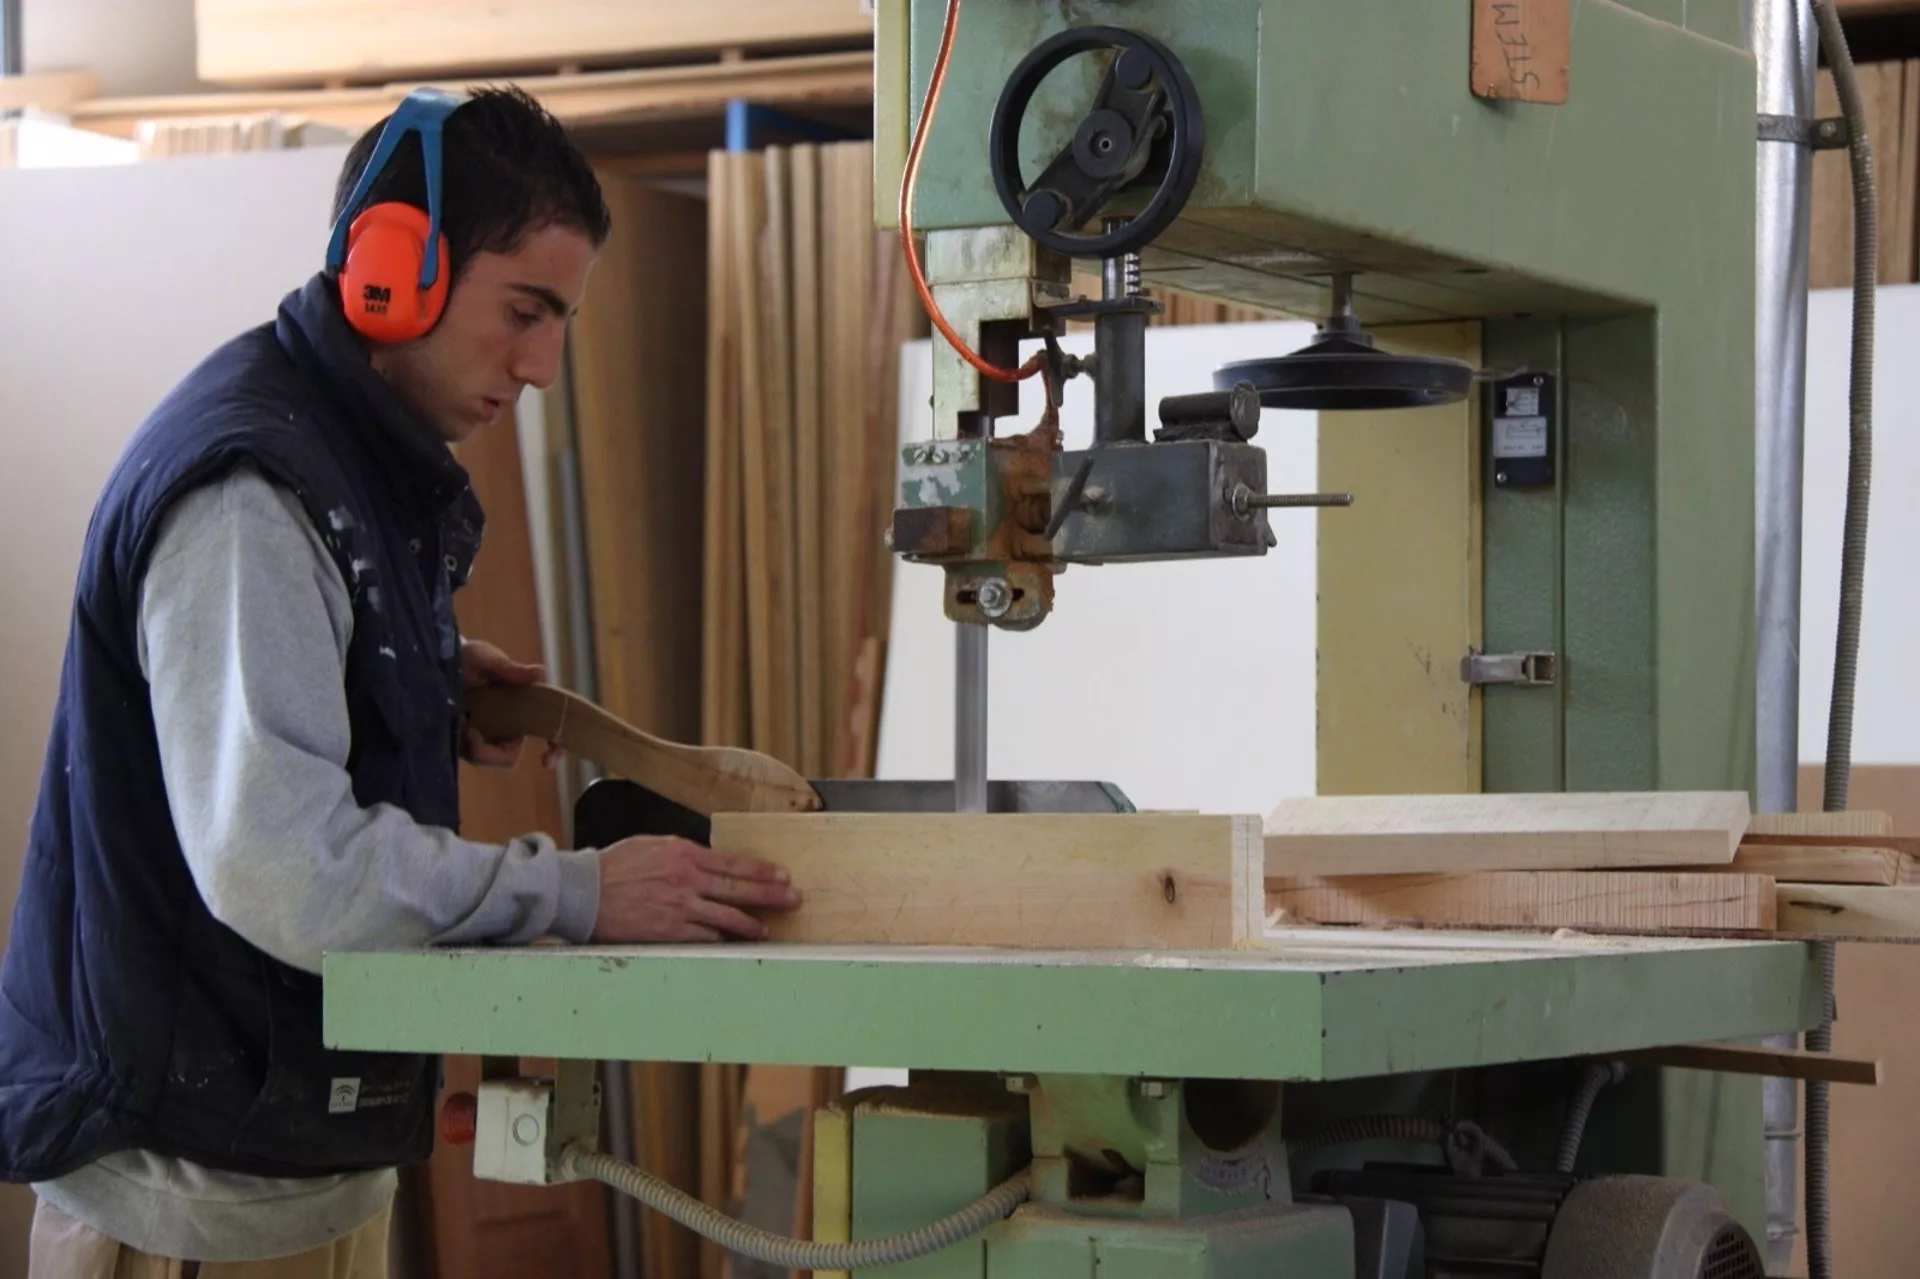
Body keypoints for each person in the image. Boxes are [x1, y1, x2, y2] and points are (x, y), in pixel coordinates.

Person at [0, 85, 798, 1276]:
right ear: (392, 271)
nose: (544, 364)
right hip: (192, 1204)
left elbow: (270, 701)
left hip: (280, 1174)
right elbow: (287, 868)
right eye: (525, 310)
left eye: (564, 319)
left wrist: (413, 682)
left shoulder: (346, 455)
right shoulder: (250, 495)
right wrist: (574, 893)